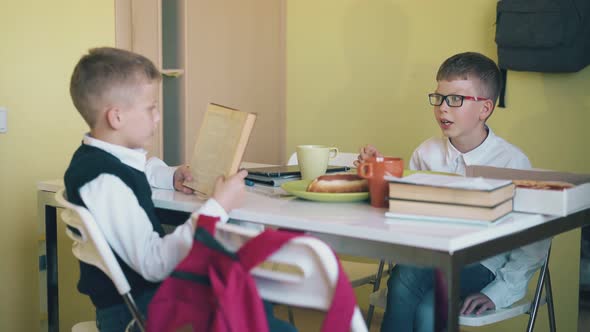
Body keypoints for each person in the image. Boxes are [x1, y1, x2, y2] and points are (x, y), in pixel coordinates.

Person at [65, 47, 294, 332]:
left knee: (248, 302)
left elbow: (141, 170)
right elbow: (154, 263)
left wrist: (171, 176)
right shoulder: (104, 180)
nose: (158, 117)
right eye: (151, 108)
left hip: (145, 303)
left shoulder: (100, 161)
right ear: (117, 117)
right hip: (135, 316)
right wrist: (218, 207)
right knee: (255, 312)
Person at [356, 52, 551, 332]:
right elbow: (406, 214)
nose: (443, 108)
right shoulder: (426, 153)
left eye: (455, 99)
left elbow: (534, 242)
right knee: (426, 309)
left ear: (485, 109)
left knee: (406, 278)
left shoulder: (512, 162)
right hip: (430, 258)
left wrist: (499, 292)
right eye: (439, 98)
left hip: (482, 264)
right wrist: (380, 174)